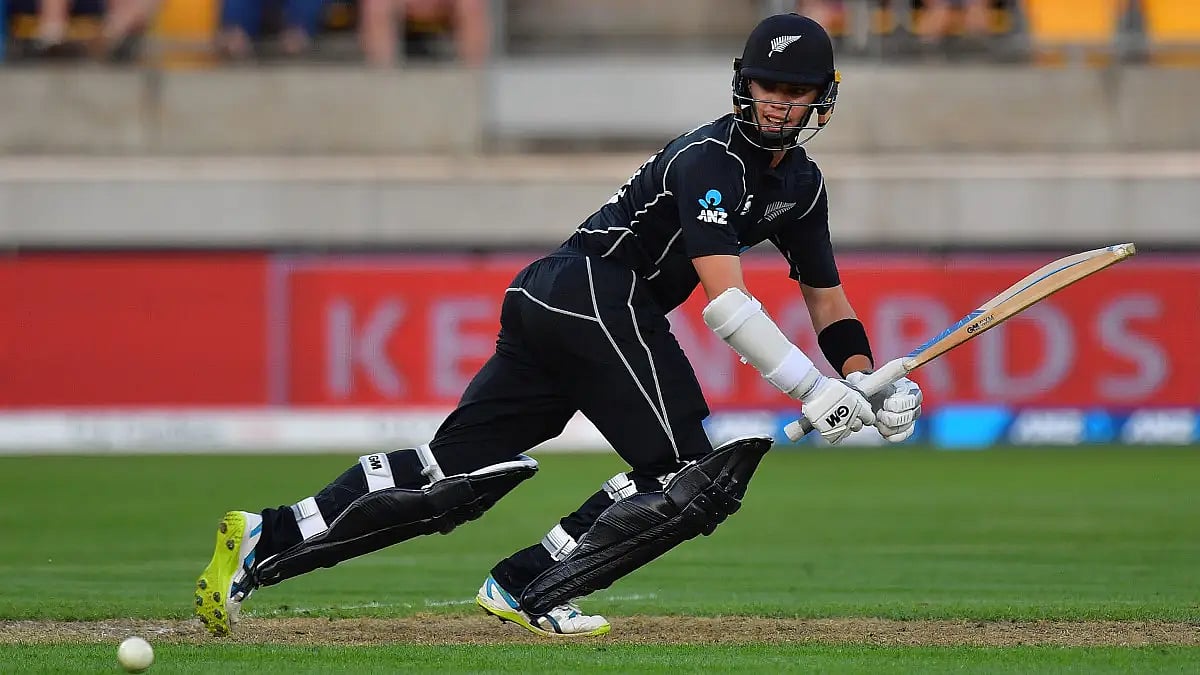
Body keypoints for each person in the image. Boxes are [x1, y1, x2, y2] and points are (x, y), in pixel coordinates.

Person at [194, 12, 923, 639]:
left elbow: (827, 300)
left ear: (822, 99)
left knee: (454, 477)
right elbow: (726, 304)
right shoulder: (712, 160)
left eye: (796, 92)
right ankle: (529, 584)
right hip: (594, 294)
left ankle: (265, 537)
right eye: (770, 86)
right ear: (744, 84)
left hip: (556, 299)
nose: (780, 104)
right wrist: (806, 385)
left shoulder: (801, 186)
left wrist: (865, 379)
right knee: (687, 480)